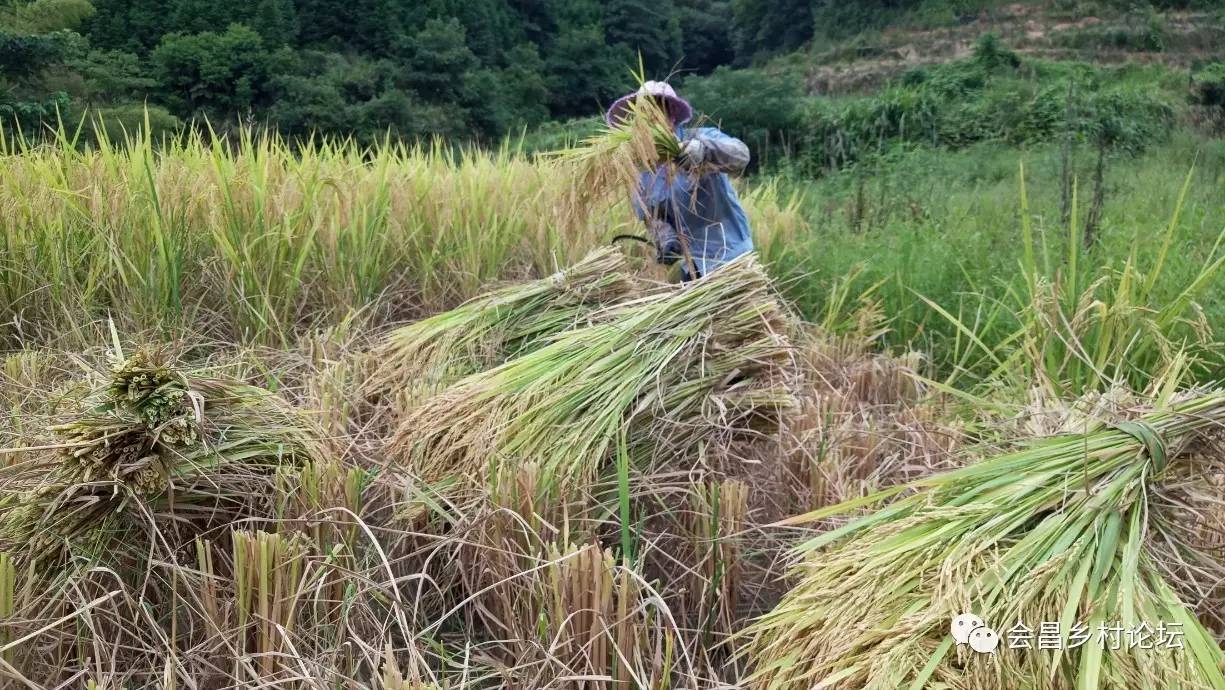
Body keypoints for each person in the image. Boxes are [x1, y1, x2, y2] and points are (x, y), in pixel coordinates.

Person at [606, 81, 754, 280]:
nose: (649, 121)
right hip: (692, 268)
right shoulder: (641, 172)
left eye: (656, 111)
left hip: (731, 257)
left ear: (671, 114)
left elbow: (741, 156)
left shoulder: (700, 137)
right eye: (642, 115)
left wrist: (705, 151)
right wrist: (666, 240)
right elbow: (653, 218)